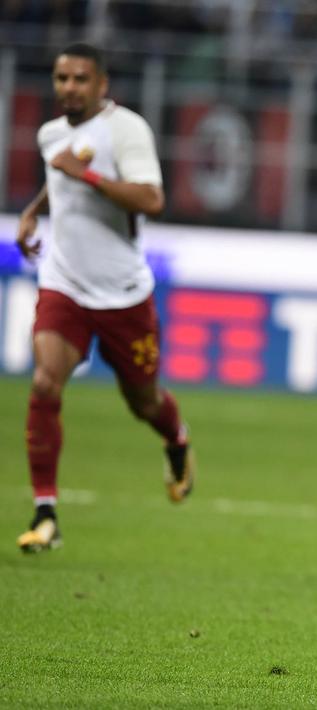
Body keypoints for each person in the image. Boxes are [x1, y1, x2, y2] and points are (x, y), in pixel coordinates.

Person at [14, 43, 196, 553]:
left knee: (144, 402)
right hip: (64, 283)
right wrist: (32, 212)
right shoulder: (51, 135)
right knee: (46, 382)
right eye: (61, 78)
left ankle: (176, 437)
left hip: (122, 294)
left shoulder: (127, 130)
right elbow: (60, 180)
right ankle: (46, 513)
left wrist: (87, 174)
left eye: (79, 79)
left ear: (101, 85)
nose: (68, 87)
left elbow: (151, 199)